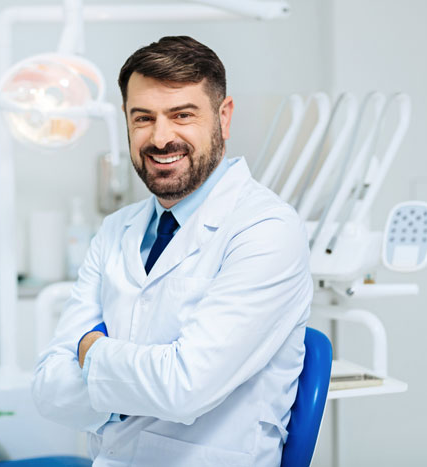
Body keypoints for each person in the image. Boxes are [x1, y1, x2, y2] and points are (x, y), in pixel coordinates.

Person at [32, 36, 312, 466]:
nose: (161, 138)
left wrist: (91, 352)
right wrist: (145, 381)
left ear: (224, 116)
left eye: (182, 115)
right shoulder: (115, 231)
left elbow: (184, 389)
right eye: (143, 118)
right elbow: (50, 389)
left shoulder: (266, 230)